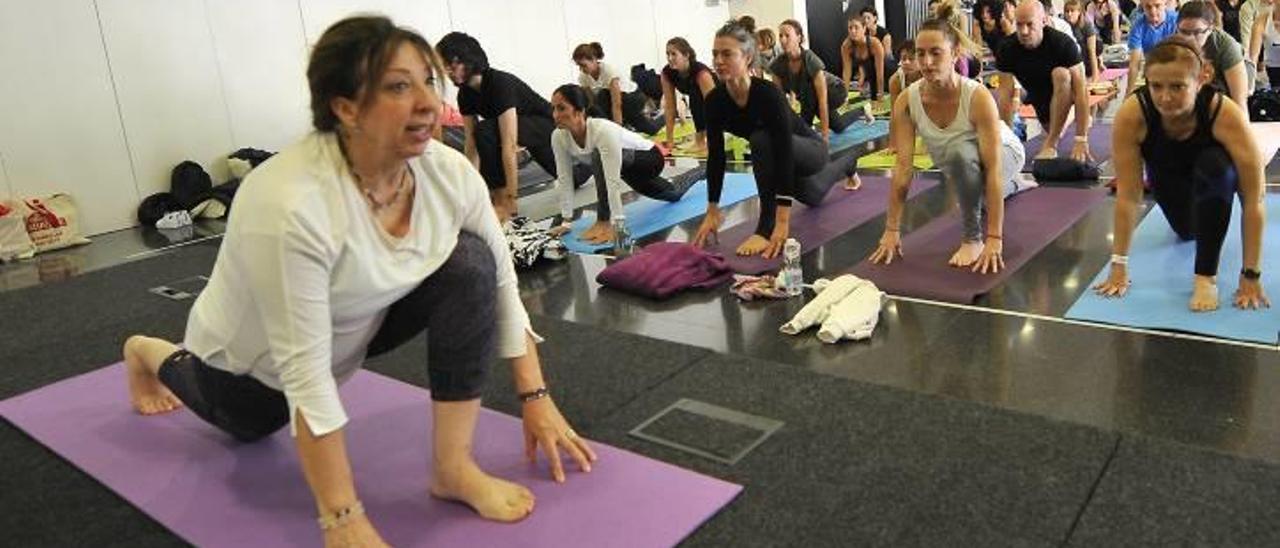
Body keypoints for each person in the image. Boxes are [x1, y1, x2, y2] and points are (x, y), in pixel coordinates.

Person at [122, 16, 596, 547]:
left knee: (471, 263)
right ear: (345, 108)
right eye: (398, 86)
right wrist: (341, 517)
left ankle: (452, 467)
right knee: (246, 421)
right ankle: (148, 352)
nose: (425, 102)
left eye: (427, 82)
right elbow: (302, 368)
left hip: (359, 322)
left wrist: (535, 396)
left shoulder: (447, 171)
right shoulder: (287, 201)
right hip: (251, 368)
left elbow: (503, 284)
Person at [1096, 35, 1268, 311]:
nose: (1165, 97)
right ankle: (1200, 221)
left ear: (1203, 78)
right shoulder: (1132, 115)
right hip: (1169, 180)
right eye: (1156, 86)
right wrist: (1119, 264)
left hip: (1215, 183)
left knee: (1215, 164)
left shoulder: (1225, 114)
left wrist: (1250, 274)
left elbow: (1254, 200)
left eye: (1177, 86)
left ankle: (1205, 278)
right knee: (1189, 231)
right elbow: (1128, 196)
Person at [869, 15, 1035, 273]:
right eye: (920, 54)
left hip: (1006, 152)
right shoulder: (906, 101)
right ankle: (1012, 184)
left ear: (955, 53)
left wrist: (993, 239)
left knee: (963, 164)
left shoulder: (977, 96)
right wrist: (891, 229)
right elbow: (903, 169)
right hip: (962, 164)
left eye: (936, 53)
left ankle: (972, 239)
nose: (926, 62)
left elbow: (991, 168)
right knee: (969, 185)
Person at [692, 20, 858, 258]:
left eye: (727, 54)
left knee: (760, 139)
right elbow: (716, 156)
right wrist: (712, 209)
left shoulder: (768, 95)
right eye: (715, 54)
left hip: (810, 150)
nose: (718, 61)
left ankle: (764, 227)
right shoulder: (715, 101)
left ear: (748, 57)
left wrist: (780, 223)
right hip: (781, 152)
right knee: (814, 195)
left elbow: (783, 151)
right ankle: (848, 162)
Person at [548, 85, 697, 244]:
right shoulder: (558, 137)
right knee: (673, 195)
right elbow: (564, 178)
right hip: (627, 170)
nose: (555, 115)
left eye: (561, 108)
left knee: (598, 155)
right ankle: (701, 171)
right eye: (554, 109)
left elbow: (612, 181)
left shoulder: (601, 130)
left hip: (650, 159)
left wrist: (615, 225)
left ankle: (603, 220)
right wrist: (566, 221)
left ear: (579, 111)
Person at [438, 32, 555, 219]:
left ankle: (500, 199)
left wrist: (511, 200)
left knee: (485, 131)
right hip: (526, 129)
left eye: (452, 64)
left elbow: (509, 145)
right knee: (570, 177)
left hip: (548, 124)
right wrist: (470, 190)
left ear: (468, 60)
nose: (448, 71)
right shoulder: (465, 94)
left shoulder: (500, 83)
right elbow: (470, 144)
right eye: (445, 66)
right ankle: (586, 168)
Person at [996, 0, 1094, 161]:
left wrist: (1081, 139)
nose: (1024, 31)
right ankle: (1064, 122)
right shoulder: (1007, 48)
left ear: (1043, 21)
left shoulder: (1063, 44)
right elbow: (1005, 97)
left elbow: (1081, 91)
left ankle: (1052, 144)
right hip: (1039, 97)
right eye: (1019, 25)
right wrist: (1007, 141)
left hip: (1065, 91)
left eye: (1029, 24)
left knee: (1061, 74)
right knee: (1054, 129)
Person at [771, 19, 858, 140]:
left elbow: (822, 100)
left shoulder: (810, 59)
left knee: (809, 95)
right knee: (838, 126)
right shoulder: (777, 66)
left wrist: (825, 138)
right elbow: (780, 103)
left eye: (787, 36)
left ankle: (805, 130)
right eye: (780, 36)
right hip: (811, 97)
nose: (783, 40)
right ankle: (863, 110)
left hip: (835, 90)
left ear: (799, 38)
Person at [572, 43, 661, 135]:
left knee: (603, 95)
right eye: (579, 66)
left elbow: (616, 104)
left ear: (594, 59)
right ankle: (625, 125)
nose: (581, 69)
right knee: (599, 101)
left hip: (633, 97)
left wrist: (617, 130)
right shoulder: (583, 77)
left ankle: (663, 117)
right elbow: (591, 103)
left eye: (583, 65)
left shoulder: (608, 71)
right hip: (612, 101)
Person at [1177, 1, 1251, 108]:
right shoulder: (1173, 44)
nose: (1190, 39)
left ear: (1210, 29)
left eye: (1197, 32)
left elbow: (1239, 103)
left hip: (1223, 101)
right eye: (1184, 32)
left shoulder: (1227, 47)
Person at [660, 37, 718, 154]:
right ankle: (700, 140)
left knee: (696, 100)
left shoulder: (701, 73)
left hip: (720, 94)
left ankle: (701, 141)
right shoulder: (667, 73)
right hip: (696, 94)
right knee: (694, 97)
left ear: (686, 55)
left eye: (674, 54)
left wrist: (713, 141)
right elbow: (670, 107)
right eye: (668, 54)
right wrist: (669, 140)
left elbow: (714, 107)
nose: (670, 58)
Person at [1126, 0, 1181, 95]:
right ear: (1142, 6)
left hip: (1177, 70)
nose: (1153, 11)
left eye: (1157, 5)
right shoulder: (1137, 26)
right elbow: (1134, 65)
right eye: (1148, 7)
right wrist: (1128, 93)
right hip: (1153, 72)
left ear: (1165, 4)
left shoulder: (1178, 21)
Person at [841, 14, 897, 99]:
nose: (853, 31)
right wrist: (845, 96)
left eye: (856, 27)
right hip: (872, 74)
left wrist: (880, 94)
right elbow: (847, 72)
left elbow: (880, 72)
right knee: (872, 100)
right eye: (850, 28)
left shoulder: (874, 43)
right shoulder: (846, 46)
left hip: (888, 73)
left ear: (864, 29)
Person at [886, 39, 924, 154]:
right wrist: (893, 144)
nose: (906, 62)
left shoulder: (930, 75)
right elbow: (894, 114)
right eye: (903, 59)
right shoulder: (895, 80)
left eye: (911, 59)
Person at [1066, 0, 1105, 79]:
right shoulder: (1063, 25)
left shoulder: (1087, 26)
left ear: (1079, 12)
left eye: (1072, 11)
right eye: (1067, 11)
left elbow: (1092, 52)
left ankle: (1099, 62)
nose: (1069, 14)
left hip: (1088, 55)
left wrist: (1095, 75)